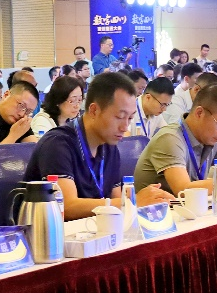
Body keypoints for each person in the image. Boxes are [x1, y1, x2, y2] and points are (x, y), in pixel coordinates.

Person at [25, 72, 171, 219]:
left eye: (130, 118)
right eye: (120, 117)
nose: (125, 127)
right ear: (94, 110)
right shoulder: (57, 143)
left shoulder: (110, 146)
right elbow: (65, 206)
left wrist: (147, 200)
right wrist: (133, 202)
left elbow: (117, 200)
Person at [134, 83, 217, 194]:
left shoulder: (215, 139)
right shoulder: (170, 138)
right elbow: (183, 190)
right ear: (199, 113)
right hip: (158, 205)